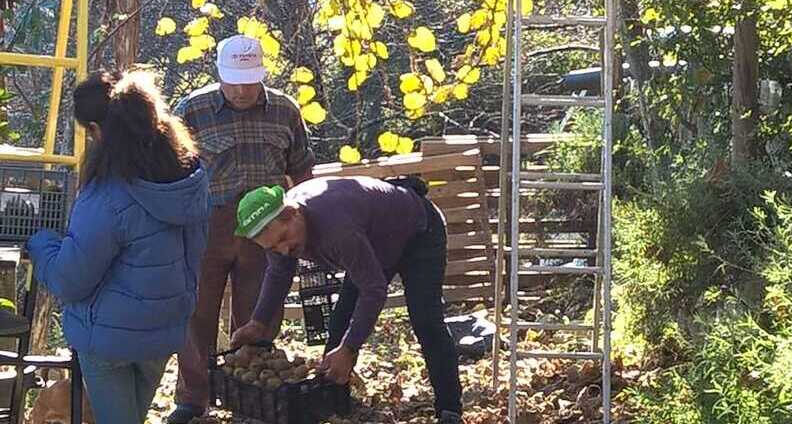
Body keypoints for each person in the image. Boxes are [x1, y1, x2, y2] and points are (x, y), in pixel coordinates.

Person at [27, 70, 210, 424]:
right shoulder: (191, 180)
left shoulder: (106, 194)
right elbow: (196, 251)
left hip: (108, 338)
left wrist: (41, 242)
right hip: (165, 328)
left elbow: (70, 279)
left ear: (98, 131)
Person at [230, 177, 464, 424]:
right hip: (371, 245)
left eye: (284, 238)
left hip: (418, 233)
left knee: (426, 321)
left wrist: (350, 348)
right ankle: (332, 405)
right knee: (339, 325)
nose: (284, 250)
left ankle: (449, 409)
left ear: (293, 213)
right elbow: (279, 273)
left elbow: (373, 290)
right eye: (273, 248)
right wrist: (258, 323)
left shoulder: (336, 229)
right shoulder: (279, 234)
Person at [169, 34, 315, 424]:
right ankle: (193, 398)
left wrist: (303, 222)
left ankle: (251, 397)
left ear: (261, 75)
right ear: (219, 74)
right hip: (207, 225)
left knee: (258, 316)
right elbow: (171, 171)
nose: (240, 91)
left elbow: (302, 169)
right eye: (233, 82)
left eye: (248, 82)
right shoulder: (193, 109)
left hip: (267, 230)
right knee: (197, 314)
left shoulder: (285, 110)